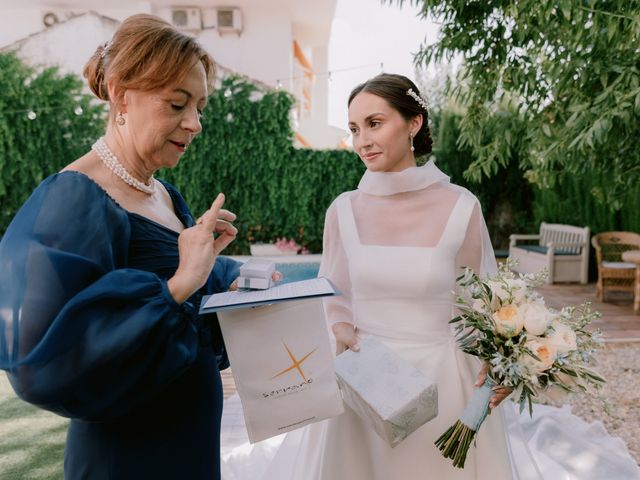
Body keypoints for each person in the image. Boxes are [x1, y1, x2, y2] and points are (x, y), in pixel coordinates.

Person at [220, 74, 640, 480]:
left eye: (374, 123)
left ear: (414, 123)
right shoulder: (342, 210)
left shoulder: (461, 206)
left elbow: (488, 303)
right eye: (353, 128)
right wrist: (342, 329)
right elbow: (335, 294)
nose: (361, 140)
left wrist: (504, 364)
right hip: (367, 382)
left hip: (445, 384)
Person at [0, 14, 254, 480]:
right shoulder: (73, 198)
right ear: (120, 94)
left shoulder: (165, 194)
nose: (194, 123)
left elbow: (180, 317)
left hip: (190, 444)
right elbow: (40, 358)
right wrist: (180, 284)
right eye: (178, 104)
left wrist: (226, 279)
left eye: (200, 106)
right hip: (129, 454)